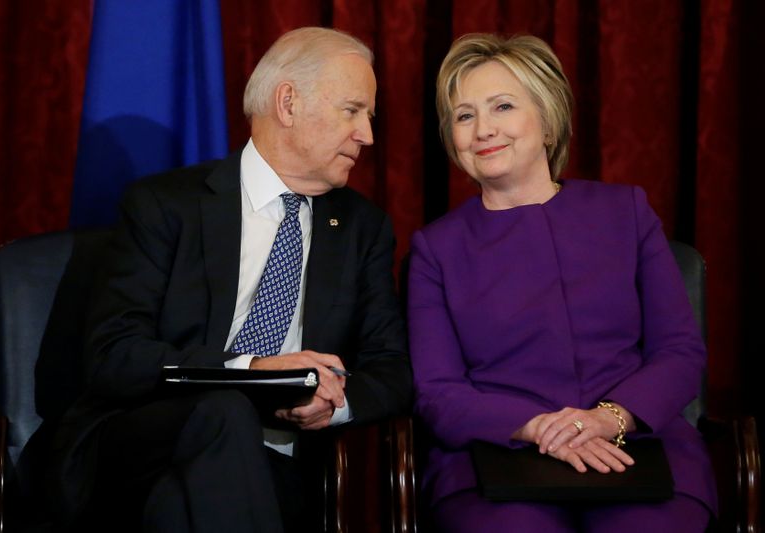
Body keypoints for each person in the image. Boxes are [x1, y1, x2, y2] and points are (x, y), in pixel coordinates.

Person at [46, 27, 411, 533]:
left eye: (368, 116)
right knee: (224, 411)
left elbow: (391, 369)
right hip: (142, 441)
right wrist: (252, 369)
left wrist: (336, 402)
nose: (368, 135)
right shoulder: (165, 205)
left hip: (270, 464)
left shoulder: (362, 229)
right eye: (352, 110)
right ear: (288, 103)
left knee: (178, 508)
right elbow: (114, 354)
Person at [407, 33, 716, 532]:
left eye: (502, 106)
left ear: (548, 121)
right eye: (464, 116)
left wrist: (607, 419)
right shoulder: (434, 249)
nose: (482, 129)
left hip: (638, 446)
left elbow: (679, 352)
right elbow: (438, 392)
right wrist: (535, 428)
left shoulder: (627, 212)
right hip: (496, 456)